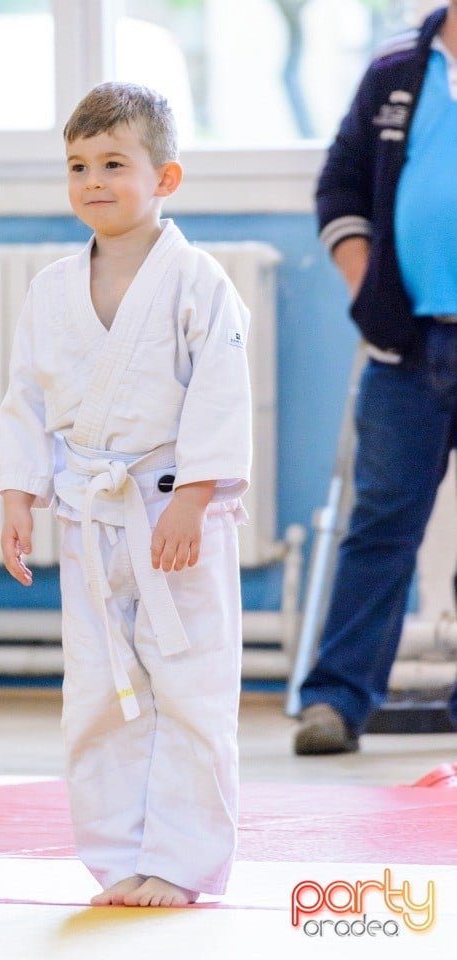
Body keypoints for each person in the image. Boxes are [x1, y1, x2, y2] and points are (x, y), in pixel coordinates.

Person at [0, 82, 252, 905]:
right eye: (78, 165)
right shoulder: (51, 288)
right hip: (89, 511)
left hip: (175, 507)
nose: (93, 181)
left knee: (189, 684)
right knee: (99, 688)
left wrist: (195, 496)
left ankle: (180, 863)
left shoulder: (198, 280)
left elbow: (221, 391)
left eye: (114, 163)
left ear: (165, 179)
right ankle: (119, 856)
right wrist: (18, 497)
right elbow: (25, 400)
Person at [294, 3, 457, 755]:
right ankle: (335, 699)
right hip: (407, 345)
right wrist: (367, 289)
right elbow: (341, 184)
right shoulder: (397, 65)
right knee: (381, 526)